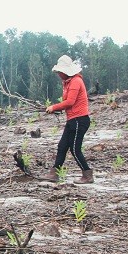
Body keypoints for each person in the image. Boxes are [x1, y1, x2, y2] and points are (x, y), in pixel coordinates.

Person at [43, 55, 94, 184]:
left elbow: (70, 102)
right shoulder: (67, 82)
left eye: (60, 71)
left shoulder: (76, 81)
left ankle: (87, 175)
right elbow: (69, 103)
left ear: (66, 71)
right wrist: (55, 108)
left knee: (75, 149)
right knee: (62, 146)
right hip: (72, 120)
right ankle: (54, 173)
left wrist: (54, 107)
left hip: (79, 120)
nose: (59, 74)